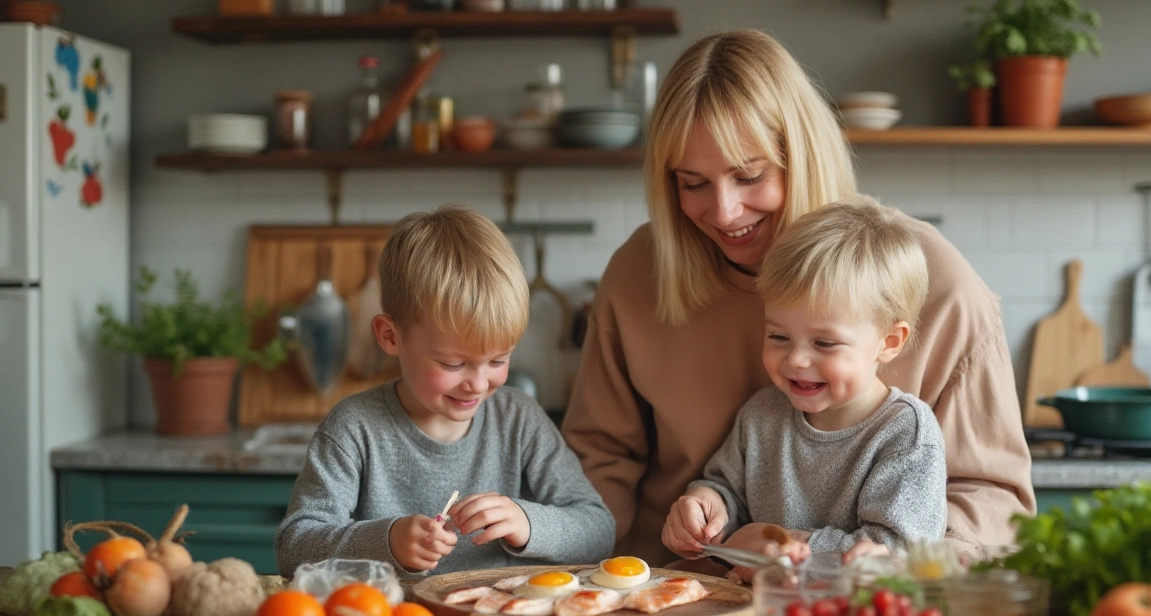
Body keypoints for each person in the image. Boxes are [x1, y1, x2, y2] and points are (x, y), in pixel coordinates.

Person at [560, 29, 1033, 568]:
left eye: (749, 175)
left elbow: (991, 503)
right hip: (671, 595)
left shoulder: (937, 281)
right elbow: (595, 469)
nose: (725, 211)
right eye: (692, 183)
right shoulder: (638, 274)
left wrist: (837, 566)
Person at [276, 206, 615, 578]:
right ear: (391, 336)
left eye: (498, 361)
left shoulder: (519, 419)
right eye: (453, 365)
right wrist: (386, 542)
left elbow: (599, 532)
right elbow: (295, 548)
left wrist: (527, 523)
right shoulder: (354, 428)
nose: (478, 383)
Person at [661, 199, 948, 569]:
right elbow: (728, 493)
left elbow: (898, 556)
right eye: (779, 337)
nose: (795, 359)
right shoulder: (762, 415)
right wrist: (706, 506)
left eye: (824, 343)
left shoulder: (905, 433)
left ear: (889, 342)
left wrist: (783, 546)